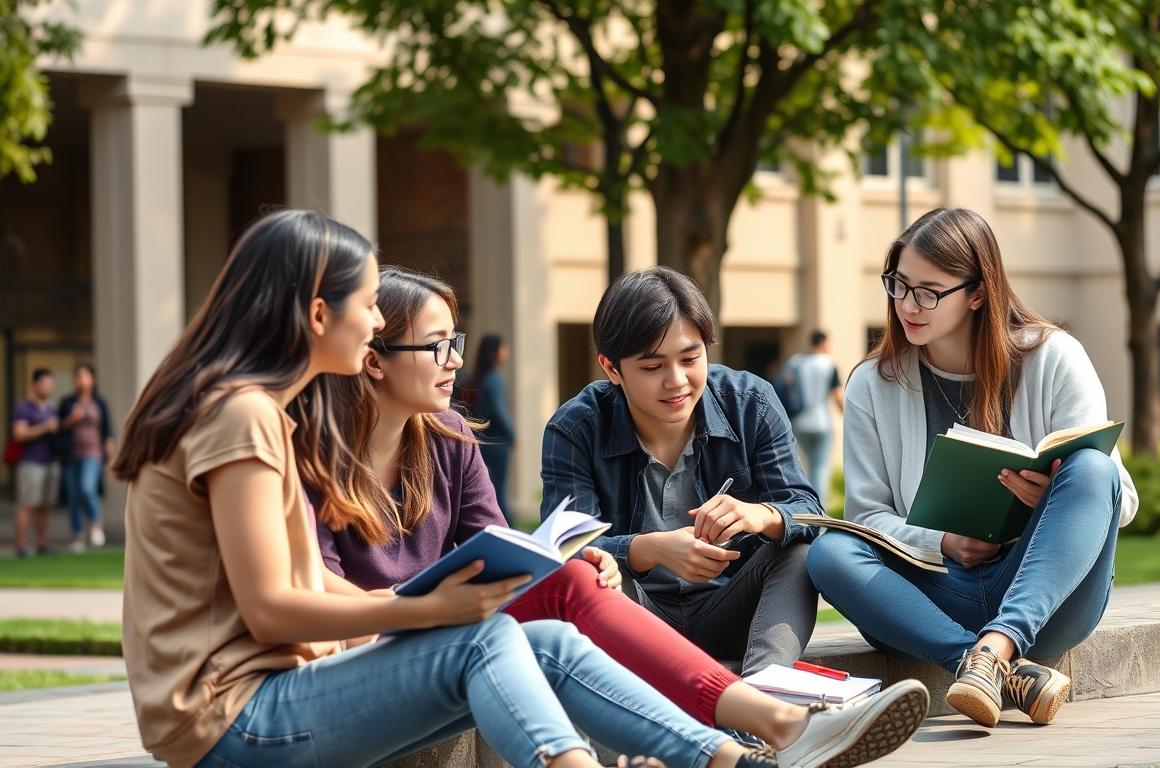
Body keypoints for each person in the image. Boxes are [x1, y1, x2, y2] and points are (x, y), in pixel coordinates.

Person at [108, 210, 804, 768]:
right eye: (366, 303)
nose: (376, 321)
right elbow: (271, 612)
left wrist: (442, 604)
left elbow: (310, 589)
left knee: (546, 643)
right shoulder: (243, 416)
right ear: (318, 315)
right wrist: (428, 611)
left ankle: (723, 757)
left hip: (270, 697)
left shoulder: (261, 414)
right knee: (488, 641)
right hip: (233, 717)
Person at [300, 265, 928, 765]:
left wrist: (755, 516)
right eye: (437, 346)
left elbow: (500, 548)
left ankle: (767, 708)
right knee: (575, 590)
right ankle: (765, 730)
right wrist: (642, 550)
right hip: (393, 651)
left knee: (586, 574)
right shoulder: (307, 454)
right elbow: (313, 605)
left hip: (694, 609)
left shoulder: (450, 435)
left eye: (689, 358)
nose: (456, 361)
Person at [806, 207, 1140, 730]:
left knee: (1094, 470)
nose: (907, 305)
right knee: (828, 551)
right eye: (898, 284)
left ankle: (999, 644)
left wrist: (1051, 496)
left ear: (978, 292)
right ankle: (986, 664)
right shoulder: (873, 383)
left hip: (1044, 600)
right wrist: (942, 542)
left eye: (929, 291)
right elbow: (866, 516)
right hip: (935, 596)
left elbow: (1121, 499)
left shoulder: (1055, 358)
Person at [542, 267, 823, 677]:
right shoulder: (576, 428)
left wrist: (760, 515)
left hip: (733, 611)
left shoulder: (751, 403)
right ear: (611, 368)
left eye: (690, 359)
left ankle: (765, 690)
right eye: (653, 367)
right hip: (634, 619)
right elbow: (563, 550)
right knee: (587, 573)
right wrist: (651, 549)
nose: (676, 382)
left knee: (800, 550)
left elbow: (809, 511)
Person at [58, 363, 114, 552]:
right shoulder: (67, 402)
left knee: (86, 488)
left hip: (93, 454)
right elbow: (58, 427)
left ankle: (96, 524)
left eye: (84, 376)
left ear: (92, 379)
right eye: (77, 376)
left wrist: (109, 457)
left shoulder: (99, 403)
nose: (80, 380)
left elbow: (107, 431)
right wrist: (71, 419)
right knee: (73, 495)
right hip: (71, 455)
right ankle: (78, 535)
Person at [785, 331, 844, 508]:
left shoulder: (796, 362)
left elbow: (787, 385)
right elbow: (837, 395)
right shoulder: (828, 363)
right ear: (824, 343)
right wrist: (846, 417)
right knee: (820, 467)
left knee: (804, 466)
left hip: (799, 422)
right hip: (821, 423)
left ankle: (804, 506)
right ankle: (818, 511)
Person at [11, 368, 60, 557]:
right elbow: (19, 434)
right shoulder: (24, 407)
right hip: (30, 462)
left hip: (49, 462)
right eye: (46, 384)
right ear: (35, 384)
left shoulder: (51, 408)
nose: (49, 388)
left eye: (51, 385)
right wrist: (44, 427)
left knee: (43, 506)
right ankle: (21, 546)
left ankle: (42, 543)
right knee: (26, 504)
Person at [471, 333, 517, 525]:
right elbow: (498, 412)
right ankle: (509, 532)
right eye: (503, 347)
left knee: (488, 490)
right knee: (498, 491)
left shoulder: (478, 378)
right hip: (498, 444)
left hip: (482, 442)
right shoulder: (494, 380)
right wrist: (513, 435)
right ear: (496, 351)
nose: (506, 352)